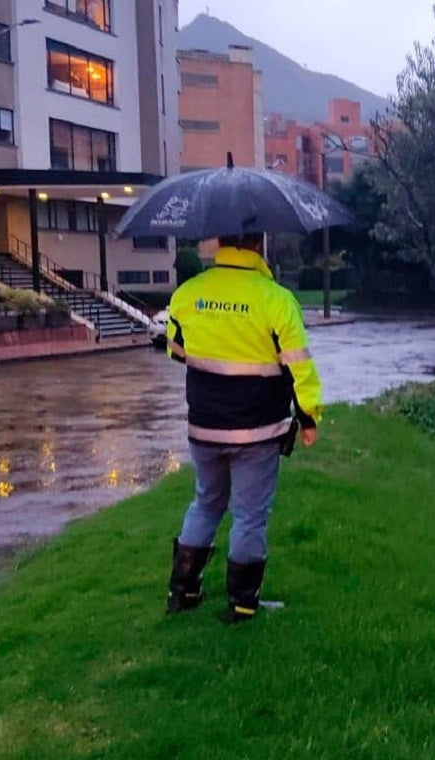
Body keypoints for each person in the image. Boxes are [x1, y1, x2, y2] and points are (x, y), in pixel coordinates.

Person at [163, 232, 322, 623]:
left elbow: (176, 349)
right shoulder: (276, 299)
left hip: (204, 425)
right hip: (258, 430)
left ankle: (182, 592)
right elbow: (300, 366)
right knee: (250, 515)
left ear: (221, 243)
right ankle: (242, 603)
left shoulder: (188, 293)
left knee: (205, 502)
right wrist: (308, 416)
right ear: (257, 244)